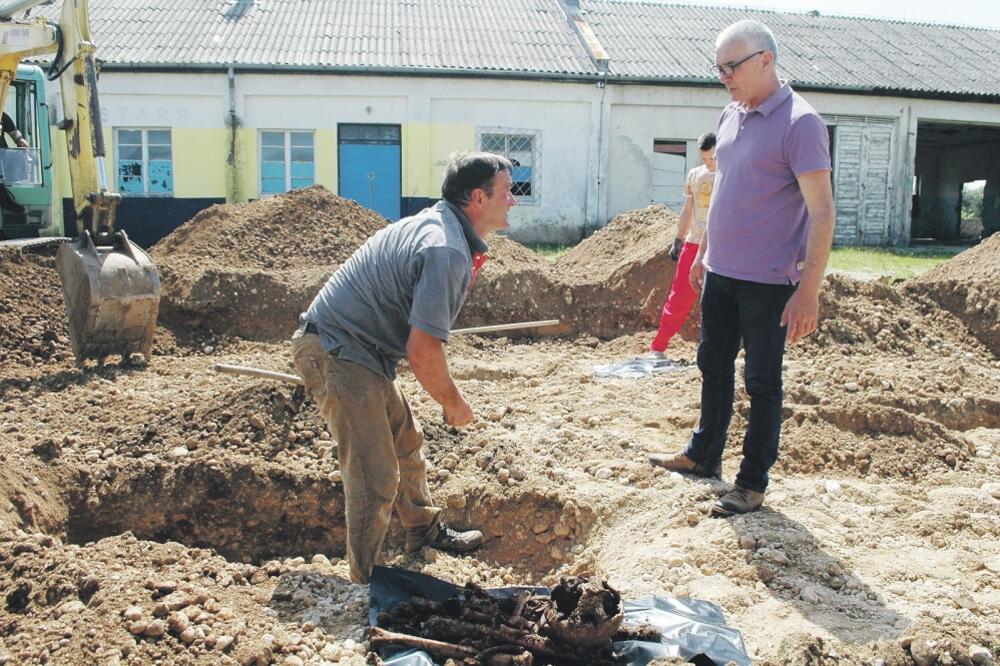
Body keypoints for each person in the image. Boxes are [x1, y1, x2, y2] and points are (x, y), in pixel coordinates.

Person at [291, 151, 516, 583]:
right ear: (477, 197)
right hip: (338, 350)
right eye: (506, 192)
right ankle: (365, 582)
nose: (513, 201)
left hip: (360, 350)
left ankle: (422, 530)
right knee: (375, 475)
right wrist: (454, 403)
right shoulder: (446, 248)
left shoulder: (444, 227)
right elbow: (423, 351)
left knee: (405, 442)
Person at [649, 19, 835, 516]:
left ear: (766, 61)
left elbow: (822, 211)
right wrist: (706, 250)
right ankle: (704, 455)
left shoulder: (801, 123)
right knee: (712, 365)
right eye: (719, 68)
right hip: (722, 273)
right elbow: (727, 188)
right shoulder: (732, 114)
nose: (725, 76)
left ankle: (751, 482)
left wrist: (808, 292)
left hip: (770, 282)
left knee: (762, 381)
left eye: (732, 66)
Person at [649, 132, 717, 356]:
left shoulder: (730, 176)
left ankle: (719, 350)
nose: (710, 163)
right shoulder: (695, 175)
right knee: (679, 296)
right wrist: (678, 239)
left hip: (720, 247)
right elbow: (688, 209)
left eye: (713, 158)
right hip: (694, 243)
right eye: (705, 159)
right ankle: (658, 347)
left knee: (718, 301)